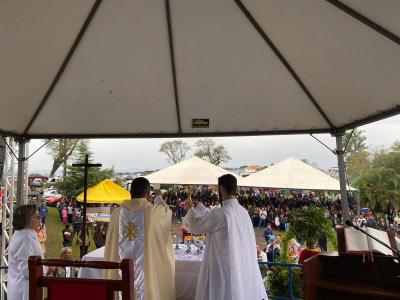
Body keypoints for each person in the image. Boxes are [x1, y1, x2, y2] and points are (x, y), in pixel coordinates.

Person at [183, 174, 267, 300]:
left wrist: (190, 210)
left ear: (221, 189)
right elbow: (212, 219)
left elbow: (195, 227)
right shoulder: (243, 212)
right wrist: (199, 207)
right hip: (240, 264)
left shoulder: (221, 213)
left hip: (223, 268)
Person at [104, 177, 175, 300]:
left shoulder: (117, 213)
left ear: (130, 192)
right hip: (145, 273)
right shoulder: (153, 212)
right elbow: (168, 213)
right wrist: (158, 197)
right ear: (148, 194)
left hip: (121, 269)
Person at [8, 204, 45, 300]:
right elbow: (28, 270)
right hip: (24, 291)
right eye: (36, 217)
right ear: (26, 219)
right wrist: (47, 270)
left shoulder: (27, 233)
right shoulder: (25, 237)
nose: (39, 219)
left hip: (25, 288)